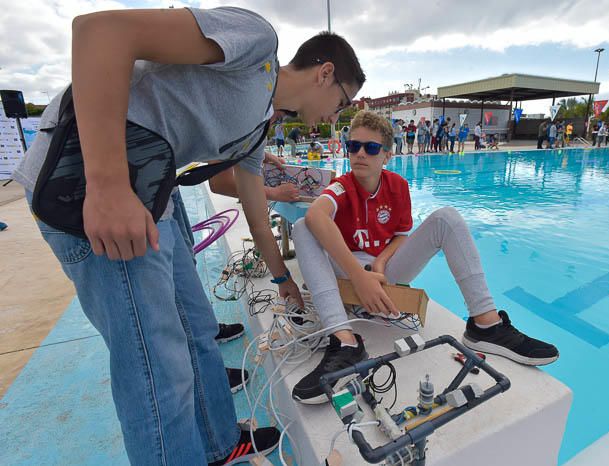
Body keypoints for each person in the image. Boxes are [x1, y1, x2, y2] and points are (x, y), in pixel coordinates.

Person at [12, 7, 366, 465]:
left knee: (197, 327)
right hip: (86, 190)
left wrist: (284, 282)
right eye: (342, 102)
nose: (333, 117)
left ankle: (219, 444)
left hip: (147, 195)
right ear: (325, 73)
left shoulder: (258, 128)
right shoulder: (256, 43)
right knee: (157, 369)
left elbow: (258, 219)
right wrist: (109, 185)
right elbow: (101, 32)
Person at [290, 111, 559, 404]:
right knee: (304, 225)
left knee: (447, 218)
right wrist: (359, 275)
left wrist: (379, 264)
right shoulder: (342, 186)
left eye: (371, 148)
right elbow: (318, 213)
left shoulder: (398, 187)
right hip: (346, 270)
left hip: (384, 273)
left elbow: (402, 235)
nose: (360, 154)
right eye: (353, 146)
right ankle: (344, 341)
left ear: (387, 155)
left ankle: (485, 324)